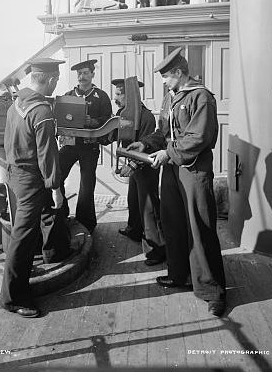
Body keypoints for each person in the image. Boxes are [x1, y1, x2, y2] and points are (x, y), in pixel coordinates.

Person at [127, 49, 226, 316]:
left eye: (167, 78)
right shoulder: (171, 97)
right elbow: (163, 132)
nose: (164, 84)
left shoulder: (201, 97)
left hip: (194, 171)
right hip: (172, 170)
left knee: (200, 227)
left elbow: (199, 137)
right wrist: (146, 144)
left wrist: (167, 153)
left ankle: (212, 290)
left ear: (179, 73)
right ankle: (179, 275)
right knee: (172, 223)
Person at [0, 58, 67, 318]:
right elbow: (47, 156)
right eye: (56, 80)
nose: (56, 83)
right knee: (23, 236)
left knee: (26, 231)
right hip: (32, 180)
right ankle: (12, 298)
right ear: (48, 79)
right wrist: (56, 189)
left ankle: (41, 261)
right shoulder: (42, 111)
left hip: (16, 175)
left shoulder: (16, 104)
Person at [108, 78, 166, 266]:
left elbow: (146, 149)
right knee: (133, 199)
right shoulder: (123, 114)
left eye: (119, 94)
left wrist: (131, 165)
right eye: (116, 93)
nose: (115, 98)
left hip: (145, 167)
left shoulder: (145, 117)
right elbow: (113, 136)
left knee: (149, 208)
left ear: (132, 96)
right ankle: (134, 230)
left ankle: (157, 250)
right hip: (133, 166)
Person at [59, 59, 112, 233]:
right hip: (70, 145)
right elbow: (60, 119)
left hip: (90, 147)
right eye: (79, 74)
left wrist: (93, 121)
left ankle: (86, 223)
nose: (81, 77)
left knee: (87, 185)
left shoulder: (101, 96)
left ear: (92, 74)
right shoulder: (68, 95)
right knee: (57, 176)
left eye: (85, 73)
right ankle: (61, 214)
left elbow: (108, 121)